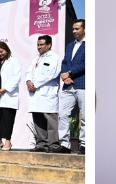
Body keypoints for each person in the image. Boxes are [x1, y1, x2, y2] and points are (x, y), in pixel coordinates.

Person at [27, 34, 64, 151]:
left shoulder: (55, 58)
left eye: (42, 45)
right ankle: (42, 144)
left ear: (49, 45)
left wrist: (35, 84)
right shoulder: (36, 58)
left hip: (47, 94)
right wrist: (28, 81)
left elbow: (52, 73)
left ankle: (53, 145)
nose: (39, 47)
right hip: (35, 94)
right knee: (38, 119)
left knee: (50, 120)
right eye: (38, 45)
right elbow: (28, 72)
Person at [60, 19, 87, 153]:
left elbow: (86, 63)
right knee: (63, 114)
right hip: (68, 86)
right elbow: (65, 61)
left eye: (77, 29)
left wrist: (69, 73)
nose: (74, 31)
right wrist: (64, 75)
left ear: (85, 29)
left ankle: (85, 145)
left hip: (83, 84)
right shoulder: (70, 45)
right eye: (73, 29)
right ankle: (64, 144)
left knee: (86, 117)